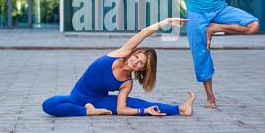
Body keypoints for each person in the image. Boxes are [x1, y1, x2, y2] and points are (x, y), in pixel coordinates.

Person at [42, 18, 196, 117]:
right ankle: (87, 111)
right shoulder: (121, 53)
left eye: (140, 63)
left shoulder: (127, 83)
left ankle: (181, 108)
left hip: (100, 101)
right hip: (77, 97)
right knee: (48, 105)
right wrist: (166, 22)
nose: (135, 62)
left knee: (139, 103)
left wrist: (144, 112)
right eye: (136, 57)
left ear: (141, 69)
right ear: (131, 54)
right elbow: (143, 34)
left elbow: (122, 109)